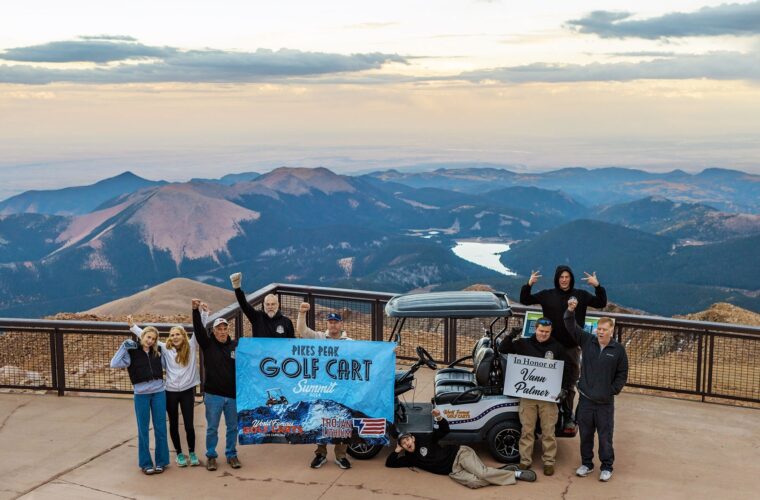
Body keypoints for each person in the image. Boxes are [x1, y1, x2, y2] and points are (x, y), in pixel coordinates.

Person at [520, 265, 607, 428]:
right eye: (561, 277)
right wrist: (529, 284)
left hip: (571, 347)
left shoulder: (580, 295)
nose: (564, 280)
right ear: (557, 279)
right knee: (546, 380)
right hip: (549, 347)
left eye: (567, 277)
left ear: (571, 278)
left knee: (569, 382)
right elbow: (525, 300)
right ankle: (544, 414)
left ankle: (567, 415)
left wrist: (597, 286)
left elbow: (601, 302)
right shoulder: (547, 295)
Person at [129, 309, 205, 468]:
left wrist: (202, 314)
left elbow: (199, 330)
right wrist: (133, 326)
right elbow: (147, 337)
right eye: (172, 335)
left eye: (178, 334)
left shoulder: (191, 346)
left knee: (189, 424)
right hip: (169, 392)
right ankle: (179, 454)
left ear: (183, 336)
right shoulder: (165, 348)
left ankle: (191, 452)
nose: (175, 337)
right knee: (174, 424)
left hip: (187, 391)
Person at [385, 408, 536, 488]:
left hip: (459, 454)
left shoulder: (425, 438)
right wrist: (397, 449)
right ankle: (503, 470)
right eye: (404, 444)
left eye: (407, 440)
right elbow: (390, 463)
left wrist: (439, 417)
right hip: (453, 471)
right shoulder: (410, 458)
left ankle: (516, 474)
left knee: (482, 474)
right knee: (474, 483)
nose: (407, 444)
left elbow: (445, 431)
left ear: (412, 437)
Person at [564, 297, 628, 482]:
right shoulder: (587, 341)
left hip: (605, 404)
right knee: (585, 435)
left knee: (605, 437)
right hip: (585, 401)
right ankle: (587, 464)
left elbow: (622, 373)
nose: (601, 332)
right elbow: (571, 326)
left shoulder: (618, 350)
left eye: (604, 330)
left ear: (611, 330)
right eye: (599, 329)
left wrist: (613, 390)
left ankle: (607, 466)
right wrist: (570, 310)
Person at [498, 317, 569, 476]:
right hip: (528, 396)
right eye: (541, 331)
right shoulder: (523, 344)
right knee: (527, 430)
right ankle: (525, 461)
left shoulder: (557, 348)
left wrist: (564, 388)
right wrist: (510, 335)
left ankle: (549, 462)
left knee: (548, 432)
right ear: (535, 329)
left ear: (551, 332)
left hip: (549, 397)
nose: (543, 334)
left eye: (547, 332)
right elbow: (503, 349)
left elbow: (566, 370)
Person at [296, 301, 352, 469]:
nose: (333, 324)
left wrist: (387, 352)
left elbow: (367, 354)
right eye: (330, 322)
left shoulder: (349, 341)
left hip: (341, 387)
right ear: (327, 324)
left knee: (342, 420)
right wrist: (301, 313)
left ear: (341, 324)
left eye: (336, 322)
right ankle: (320, 454)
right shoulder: (320, 337)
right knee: (320, 419)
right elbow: (302, 331)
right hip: (322, 386)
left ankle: (341, 455)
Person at [110, 326, 170, 475]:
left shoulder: (158, 352)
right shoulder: (132, 353)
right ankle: (146, 463)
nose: (150, 341)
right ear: (142, 336)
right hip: (141, 395)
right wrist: (124, 346)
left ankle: (161, 462)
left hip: (159, 393)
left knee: (160, 428)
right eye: (148, 337)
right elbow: (114, 363)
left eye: (153, 339)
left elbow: (169, 366)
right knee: (143, 429)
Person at [192, 298, 241, 471]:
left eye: (224, 328)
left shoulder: (236, 346)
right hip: (213, 395)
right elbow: (198, 330)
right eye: (218, 329)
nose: (222, 331)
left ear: (228, 330)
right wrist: (195, 311)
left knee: (232, 428)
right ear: (213, 331)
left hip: (233, 395)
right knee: (212, 428)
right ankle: (211, 456)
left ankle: (231, 454)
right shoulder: (208, 345)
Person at [230, 272, 295, 338]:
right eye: (267, 304)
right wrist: (237, 287)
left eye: (273, 304)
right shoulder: (257, 318)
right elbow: (244, 305)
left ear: (278, 305)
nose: (270, 307)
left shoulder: (287, 322)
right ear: (264, 305)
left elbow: (291, 341)